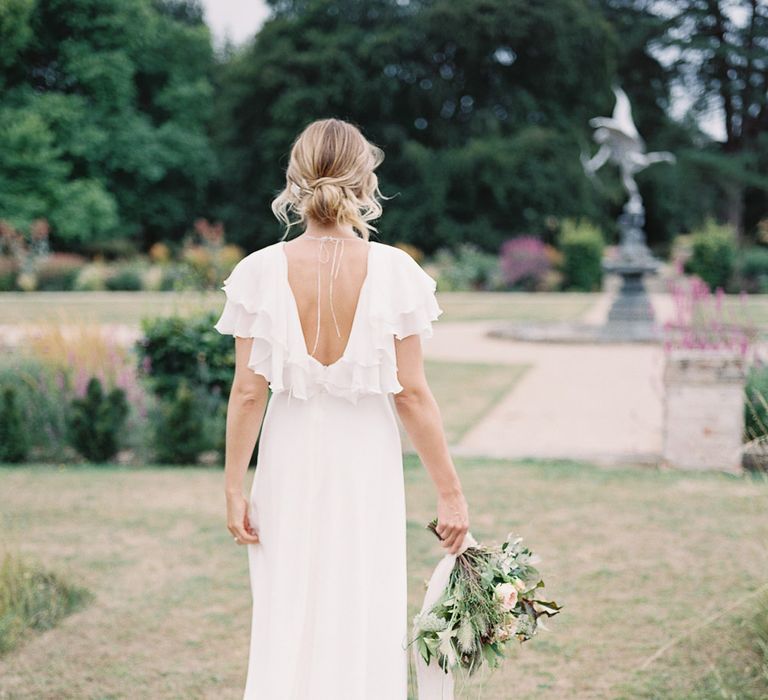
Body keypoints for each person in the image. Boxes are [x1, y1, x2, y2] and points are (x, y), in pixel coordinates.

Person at [213, 117, 470, 699]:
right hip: (364, 457)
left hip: (289, 453)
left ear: (293, 180)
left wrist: (234, 485)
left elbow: (249, 392)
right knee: (363, 597)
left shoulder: (257, 272)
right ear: (366, 180)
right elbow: (412, 393)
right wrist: (450, 492)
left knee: (287, 605)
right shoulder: (396, 271)